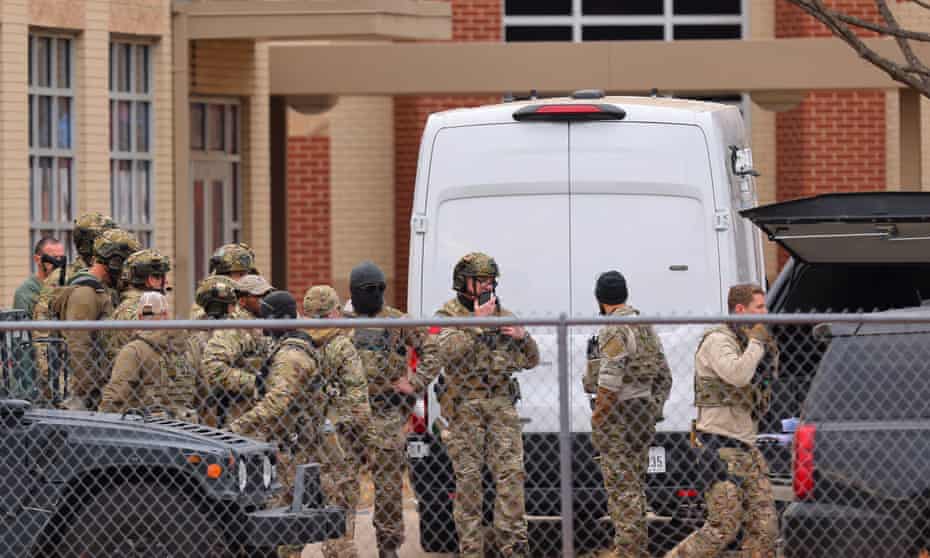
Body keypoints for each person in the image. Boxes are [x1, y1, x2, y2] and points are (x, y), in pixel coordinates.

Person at [417, 252, 539, 557]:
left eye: (491, 280)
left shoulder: (503, 314)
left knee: (511, 477)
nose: (488, 285)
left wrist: (523, 337)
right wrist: (477, 323)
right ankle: (471, 550)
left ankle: (513, 547)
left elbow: (532, 360)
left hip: (500, 405)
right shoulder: (446, 317)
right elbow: (444, 351)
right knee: (469, 483)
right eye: (481, 280)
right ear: (463, 282)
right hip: (465, 408)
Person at [228, 290, 354, 558]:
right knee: (290, 526)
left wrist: (236, 428)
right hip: (299, 446)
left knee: (313, 523)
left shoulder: (290, 357)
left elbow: (277, 402)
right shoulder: (289, 348)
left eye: (266, 318)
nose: (262, 325)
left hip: (300, 450)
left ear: (278, 319)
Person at [665, 284, 779, 558]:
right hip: (720, 446)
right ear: (740, 309)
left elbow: (764, 382)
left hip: (747, 446)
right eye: (759, 307)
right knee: (722, 527)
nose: (765, 312)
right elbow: (737, 375)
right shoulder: (718, 340)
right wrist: (757, 343)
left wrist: (766, 349)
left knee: (765, 528)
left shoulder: (745, 341)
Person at [344, 261, 440, 557]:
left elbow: (432, 350)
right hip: (348, 412)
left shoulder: (398, 321)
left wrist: (416, 382)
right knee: (342, 482)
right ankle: (341, 544)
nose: (375, 294)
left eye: (379, 289)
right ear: (355, 292)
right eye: (368, 290)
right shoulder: (341, 323)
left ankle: (388, 546)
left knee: (387, 486)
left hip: (386, 412)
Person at [583, 270, 672, 558]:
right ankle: (637, 549)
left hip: (618, 417)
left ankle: (629, 551)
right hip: (641, 414)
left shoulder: (614, 328)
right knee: (635, 488)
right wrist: (652, 409)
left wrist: (598, 420)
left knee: (623, 493)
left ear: (600, 298)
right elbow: (664, 376)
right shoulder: (645, 327)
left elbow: (609, 383)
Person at [303, 284, 370, 558]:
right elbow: (358, 398)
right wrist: (365, 441)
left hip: (302, 437)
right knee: (341, 501)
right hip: (339, 440)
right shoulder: (342, 346)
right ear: (333, 313)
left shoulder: (297, 343)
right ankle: (339, 549)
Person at [55, 229, 140, 411]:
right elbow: (79, 345)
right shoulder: (85, 293)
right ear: (115, 262)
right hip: (84, 393)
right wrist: (89, 391)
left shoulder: (101, 290)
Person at [99, 292, 200, 422]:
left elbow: (115, 396)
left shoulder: (134, 351)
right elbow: (205, 393)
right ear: (166, 315)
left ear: (139, 317)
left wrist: (103, 417)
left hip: (148, 426)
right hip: (188, 425)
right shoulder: (191, 346)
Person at [202, 274, 273, 427]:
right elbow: (213, 366)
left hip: (264, 413)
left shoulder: (264, 324)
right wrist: (256, 384)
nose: (266, 300)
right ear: (242, 300)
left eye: (268, 295)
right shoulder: (235, 327)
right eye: (259, 296)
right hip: (238, 414)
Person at [189, 275, 240, 425]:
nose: (234, 309)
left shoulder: (194, 335)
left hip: (206, 407)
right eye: (232, 305)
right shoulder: (231, 335)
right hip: (219, 406)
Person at [109, 249, 171, 359]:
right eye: (161, 277)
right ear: (152, 279)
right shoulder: (146, 307)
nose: (166, 282)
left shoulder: (126, 304)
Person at [190, 243, 260, 319]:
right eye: (240, 274)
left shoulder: (241, 295)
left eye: (247, 274)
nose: (246, 279)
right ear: (224, 275)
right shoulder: (212, 296)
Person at [13, 236, 65, 317]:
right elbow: (23, 324)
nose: (59, 262)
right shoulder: (25, 293)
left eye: (61, 257)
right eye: (53, 258)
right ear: (38, 260)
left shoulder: (68, 284)